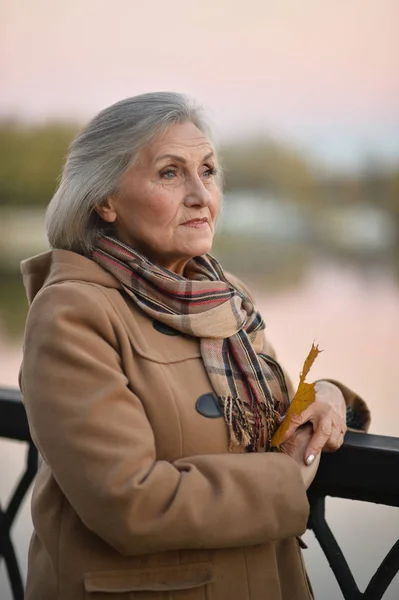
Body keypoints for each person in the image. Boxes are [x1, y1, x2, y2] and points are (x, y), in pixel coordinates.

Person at [20, 92, 370, 600]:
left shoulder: (227, 298)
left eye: (207, 171)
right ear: (105, 200)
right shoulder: (73, 313)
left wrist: (330, 396)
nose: (200, 195)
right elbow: (129, 504)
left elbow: (277, 425)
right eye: (169, 173)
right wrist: (286, 480)